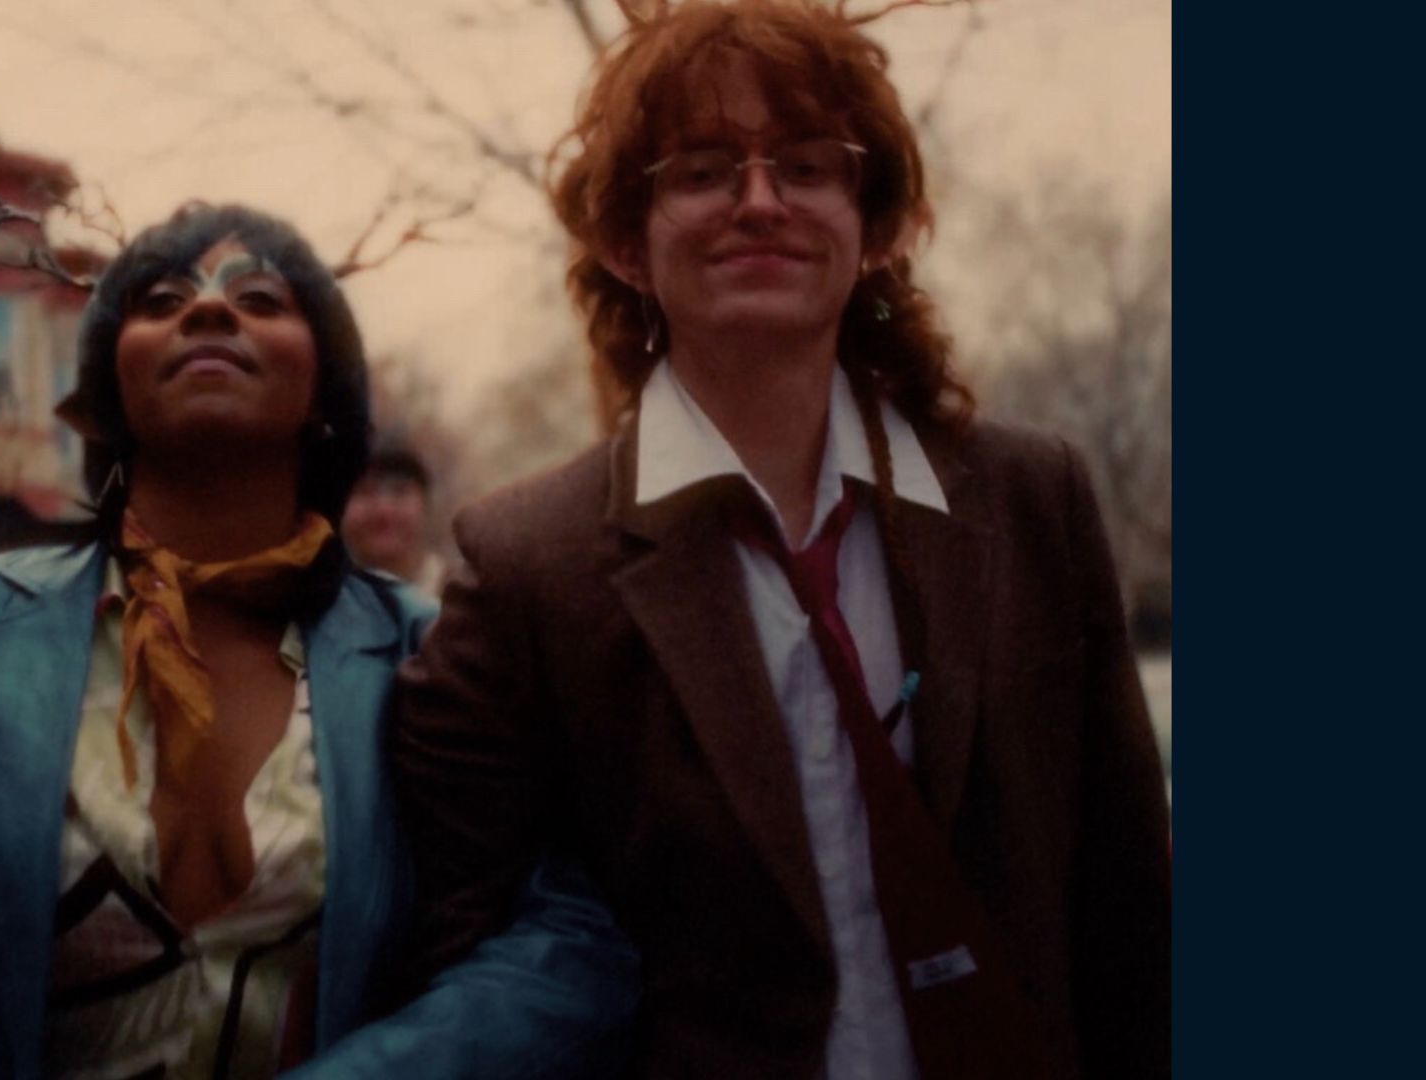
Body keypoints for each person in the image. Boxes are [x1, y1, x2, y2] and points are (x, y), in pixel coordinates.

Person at [389, 4, 1171, 1079]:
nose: (760, 202)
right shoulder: (529, 565)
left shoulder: (1032, 500)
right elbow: (473, 970)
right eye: (702, 171)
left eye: (807, 166)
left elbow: (1129, 908)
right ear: (625, 243)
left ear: (878, 228)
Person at [0, 202, 636, 1080]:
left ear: (325, 392)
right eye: (161, 300)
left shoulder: (425, 652)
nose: (210, 308)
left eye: (260, 299)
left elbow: (573, 942)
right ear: (108, 386)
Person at [338, 443, 447, 600]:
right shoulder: (321, 597)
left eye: (399, 492)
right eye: (365, 492)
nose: (383, 511)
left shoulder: (460, 594)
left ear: (426, 505)